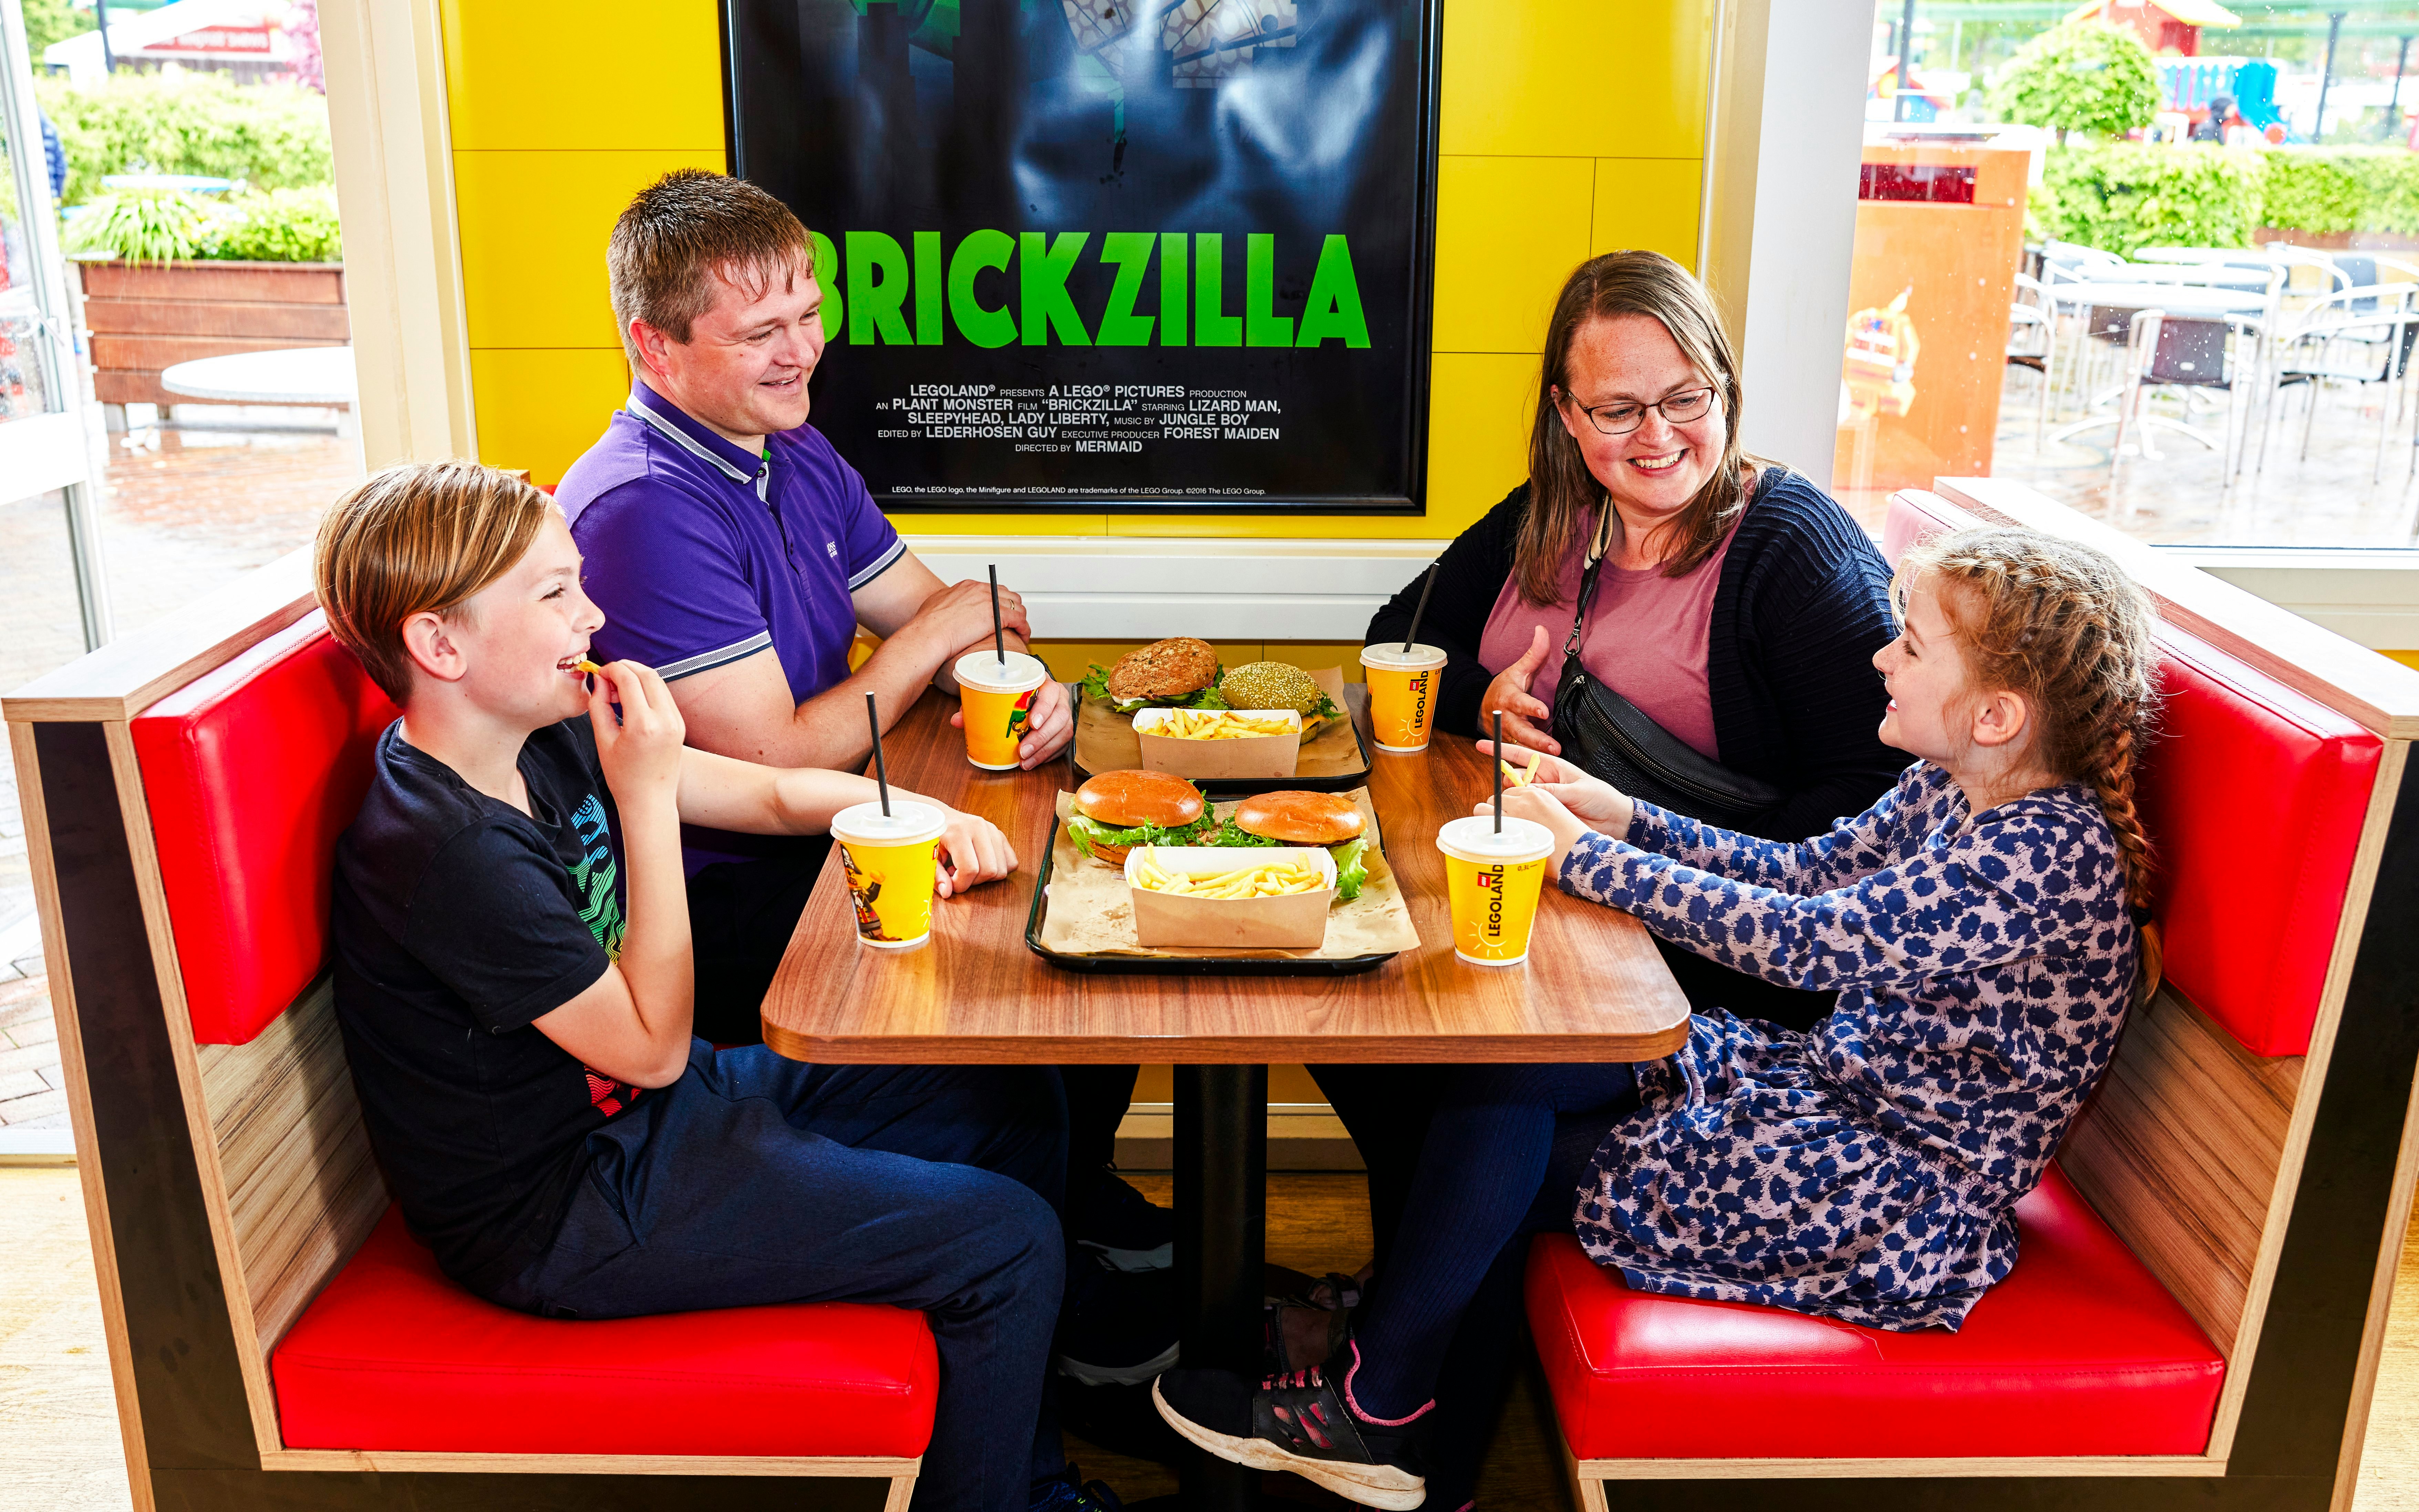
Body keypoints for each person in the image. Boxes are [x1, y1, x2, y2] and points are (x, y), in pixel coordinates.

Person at [1156, 526, 2165, 1511]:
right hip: (1820, 1094)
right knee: (1511, 1075)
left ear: (1996, 715)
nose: (1879, 655)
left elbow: (1811, 941)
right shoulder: (1954, 788)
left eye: (1909, 645)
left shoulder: (2046, 854)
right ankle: (1388, 1401)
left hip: (1890, 1193)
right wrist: (1620, 814)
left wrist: (1580, 858)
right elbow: (1806, 868)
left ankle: (1382, 1406)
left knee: (1497, 1140)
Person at [318, 460, 1122, 1512]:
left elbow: (776, 789)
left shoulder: (541, 730)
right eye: (555, 593)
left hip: (662, 1113)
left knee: (1012, 1098)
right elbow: (650, 1047)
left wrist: (919, 817)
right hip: (568, 1211)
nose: (593, 614)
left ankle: (1013, 1480)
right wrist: (647, 797)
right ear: (440, 645)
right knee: (1005, 1241)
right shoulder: (447, 853)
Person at [554, 170, 1166, 1308]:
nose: (803, 352)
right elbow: (782, 754)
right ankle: (1052, 1263)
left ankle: (1070, 1216)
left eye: (808, 314)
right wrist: (935, 637)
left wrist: (1033, 692)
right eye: (760, 333)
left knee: (1090, 913)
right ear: (654, 347)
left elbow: (962, 622)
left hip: (819, 843)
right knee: (1061, 959)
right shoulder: (642, 504)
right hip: (724, 904)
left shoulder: (795, 450)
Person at [1324, 249, 1908, 1270]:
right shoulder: (1548, 516)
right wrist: (1481, 696)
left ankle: (1402, 1368)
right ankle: (1406, 1305)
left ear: (1727, 383)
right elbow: (1393, 635)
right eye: (1618, 409)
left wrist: (1637, 860)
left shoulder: (1793, 547)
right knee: (1352, 1027)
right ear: (1566, 414)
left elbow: (1866, 816)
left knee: (1469, 1068)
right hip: (1542, 901)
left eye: (1686, 397)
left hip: (1714, 951)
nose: (1657, 436)